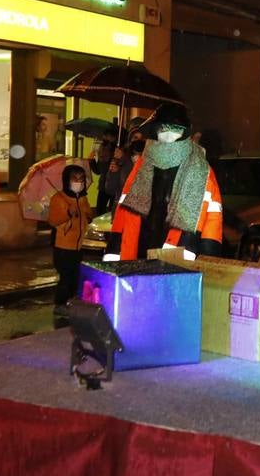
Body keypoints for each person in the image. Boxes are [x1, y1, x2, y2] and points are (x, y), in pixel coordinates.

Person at [106, 102, 223, 261]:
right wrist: (113, 254)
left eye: (175, 130)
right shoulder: (142, 165)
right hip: (139, 255)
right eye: (163, 129)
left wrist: (208, 262)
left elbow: (213, 223)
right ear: (155, 131)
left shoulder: (201, 171)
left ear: (184, 133)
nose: (168, 135)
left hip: (179, 261)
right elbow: (124, 212)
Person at [48, 165, 91, 316]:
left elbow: (86, 217)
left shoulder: (83, 199)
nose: (78, 182)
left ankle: (70, 302)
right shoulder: (58, 199)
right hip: (63, 247)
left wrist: (88, 214)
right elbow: (53, 220)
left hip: (78, 246)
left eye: (81, 179)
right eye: (75, 179)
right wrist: (67, 213)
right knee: (65, 277)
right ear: (67, 180)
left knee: (75, 277)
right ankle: (59, 304)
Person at [89, 138, 119, 217]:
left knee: (111, 211)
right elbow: (98, 171)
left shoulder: (115, 150)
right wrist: (91, 160)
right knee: (100, 210)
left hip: (114, 186)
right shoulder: (102, 150)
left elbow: (102, 169)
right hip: (103, 186)